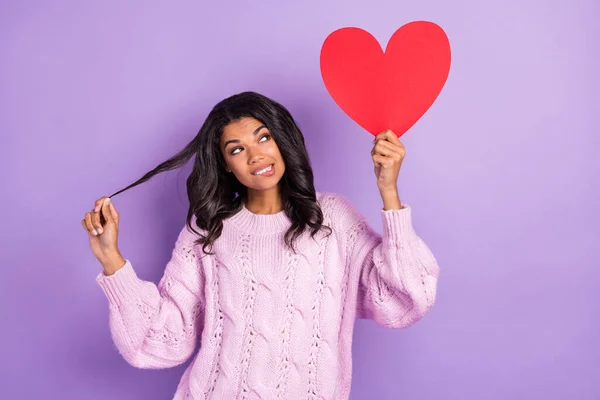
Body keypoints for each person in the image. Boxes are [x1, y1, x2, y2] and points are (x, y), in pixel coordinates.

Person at [81, 91, 440, 399]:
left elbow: (405, 298)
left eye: (263, 137)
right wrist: (112, 259)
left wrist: (388, 192)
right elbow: (163, 342)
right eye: (238, 149)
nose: (256, 156)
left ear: (282, 140)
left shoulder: (333, 220)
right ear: (226, 165)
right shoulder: (208, 229)